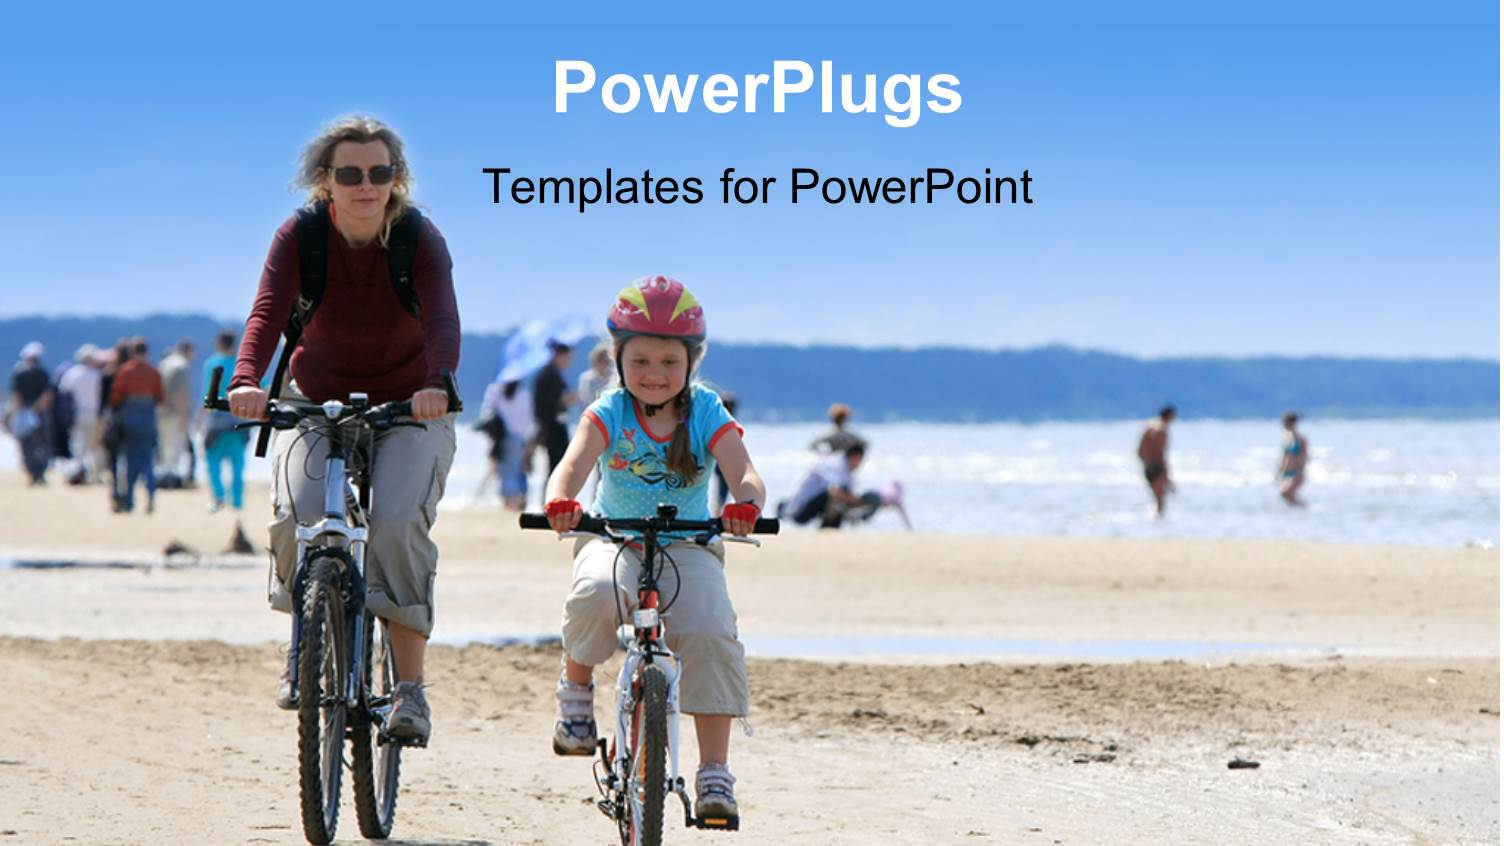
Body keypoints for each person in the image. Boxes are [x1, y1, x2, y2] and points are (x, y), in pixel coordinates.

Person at [225, 115, 460, 744]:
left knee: (396, 526)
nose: (366, 185)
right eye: (350, 174)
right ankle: (305, 645)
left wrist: (438, 383)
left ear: (396, 179)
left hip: (411, 405)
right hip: (316, 397)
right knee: (295, 516)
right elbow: (268, 310)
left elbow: (441, 318)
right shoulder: (300, 235)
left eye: (379, 173)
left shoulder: (417, 237)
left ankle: (409, 690)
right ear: (324, 181)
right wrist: (246, 380)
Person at [544, 276, 766, 824]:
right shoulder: (610, 409)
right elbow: (572, 465)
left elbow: (746, 474)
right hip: (614, 536)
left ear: (692, 363)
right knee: (594, 592)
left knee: (712, 630)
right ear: (618, 360)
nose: (654, 374)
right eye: (640, 360)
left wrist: (746, 505)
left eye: (669, 362)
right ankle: (575, 693)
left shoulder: (706, 409)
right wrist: (559, 499)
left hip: (689, 544)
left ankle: (715, 771)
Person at [107, 338, 163, 513]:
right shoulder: (153, 372)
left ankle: (130, 499)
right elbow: (160, 397)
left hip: (129, 417)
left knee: (130, 461)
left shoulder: (125, 370)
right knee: (147, 460)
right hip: (148, 417)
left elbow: (116, 396)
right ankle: (151, 495)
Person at [199, 330, 248, 514]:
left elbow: (205, 395)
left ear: (219, 343)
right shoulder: (240, 365)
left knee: (213, 462)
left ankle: (218, 498)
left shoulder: (212, 363)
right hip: (239, 419)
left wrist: (199, 419)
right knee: (237, 464)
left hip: (216, 420)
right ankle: (236, 501)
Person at [780, 442, 870, 528]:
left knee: (844, 497)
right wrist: (858, 502)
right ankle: (829, 529)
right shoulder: (835, 464)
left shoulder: (847, 471)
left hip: (810, 505)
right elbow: (834, 491)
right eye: (859, 460)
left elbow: (849, 493)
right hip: (799, 509)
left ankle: (831, 529)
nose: (859, 464)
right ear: (854, 457)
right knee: (835, 497)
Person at [6, 342, 54, 486]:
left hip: (24, 409)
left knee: (26, 444)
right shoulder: (43, 372)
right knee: (42, 443)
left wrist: (22, 410)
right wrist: (37, 407)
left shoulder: (19, 372)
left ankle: (32, 472)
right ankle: (41, 472)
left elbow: (16, 394)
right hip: (40, 411)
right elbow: (48, 393)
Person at [58, 345, 104, 483]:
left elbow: (63, 391)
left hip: (78, 414)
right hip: (96, 414)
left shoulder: (73, 373)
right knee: (95, 446)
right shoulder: (98, 375)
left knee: (79, 445)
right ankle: (95, 475)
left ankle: (78, 473)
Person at [156, 339, 196, 488]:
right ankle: (170, 479)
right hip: (174, 412)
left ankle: (163, 477)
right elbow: (181, 394)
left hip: (160, 412)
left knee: (165, 446)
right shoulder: (181, 366)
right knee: (175, 447)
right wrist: (184, 417)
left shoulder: (164, 363)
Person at [533, 339, 576, 475]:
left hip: (552, 426)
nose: (569, 361)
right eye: (568, 358)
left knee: (557, 467)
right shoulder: (549, 375)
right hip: (552, 427)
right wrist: (564, 401)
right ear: (560, 356)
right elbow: (547, 403)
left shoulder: (552, 373)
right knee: (558, 468)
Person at [495, 378, 534, 509]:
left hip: (502, 436)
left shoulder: (497, 391)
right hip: (520, 437)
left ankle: (508, 502)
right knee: (518, 470)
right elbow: (529, 419)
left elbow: (489, 411)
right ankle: (516, 502)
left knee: (506, 472)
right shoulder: (524, 394)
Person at [1137, 404, 1176, 518]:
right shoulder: (1161, 430)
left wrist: (1145, 463)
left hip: (1147, 464)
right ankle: (1158, 523)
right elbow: (1160, 453)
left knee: (1156, 496)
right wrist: (1166, 474)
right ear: (1170, 416)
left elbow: (1140, 450)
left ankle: (1154, 523)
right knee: (1160, 498)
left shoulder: (1149, 426)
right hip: (1156, 465)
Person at [1275, 411, 1309, 507]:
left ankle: (1304, 508)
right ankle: (1299, 512)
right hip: (1288, 473)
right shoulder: (1287, 438)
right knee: (1287, 495)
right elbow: (1285, 457)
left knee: (1285, 493)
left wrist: (1300, 468)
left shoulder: (1300, 438)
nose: (1283, 424)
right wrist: (1279, 472)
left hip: (1297, 472)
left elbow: (1305, 455)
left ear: (1291, 423)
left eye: (1284, 422)